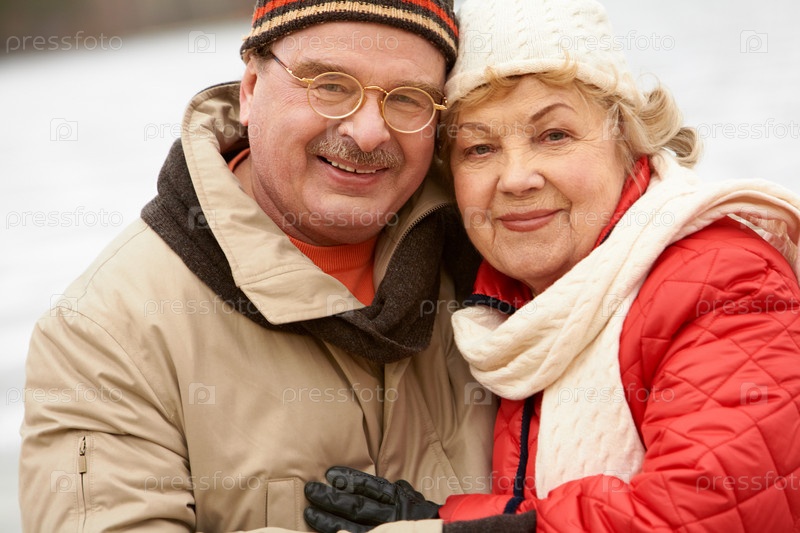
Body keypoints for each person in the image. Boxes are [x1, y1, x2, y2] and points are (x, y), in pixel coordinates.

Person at [302, 0, 800, 531]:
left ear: (627, 140)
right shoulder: (495, 306)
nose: (517, 178)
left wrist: (450, 524)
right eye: (479, 148)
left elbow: (705, 511)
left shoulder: (727, 282)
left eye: (554, 136)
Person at [18, 1, 498, 531]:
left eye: (407, 99)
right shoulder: (105, 332)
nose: (367, 133)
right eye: (330, 85)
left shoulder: (503, 256)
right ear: (250, 89)